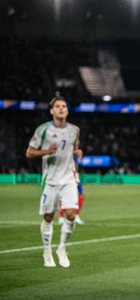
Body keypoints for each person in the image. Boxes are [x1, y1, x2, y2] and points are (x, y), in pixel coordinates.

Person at [26, 96, 83, 268]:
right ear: (51, 111)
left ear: (67, 110)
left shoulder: (75, 130)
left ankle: (62, 249)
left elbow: (75, 148)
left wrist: (77, 153)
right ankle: (47, 251)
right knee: (49, 217)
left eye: (63, 106)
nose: (61, 109)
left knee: (71, 215)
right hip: (50, 181)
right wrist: (46, 151)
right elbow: (29, 153)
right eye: (57, 106)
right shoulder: (43, 130)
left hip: (69, 179)